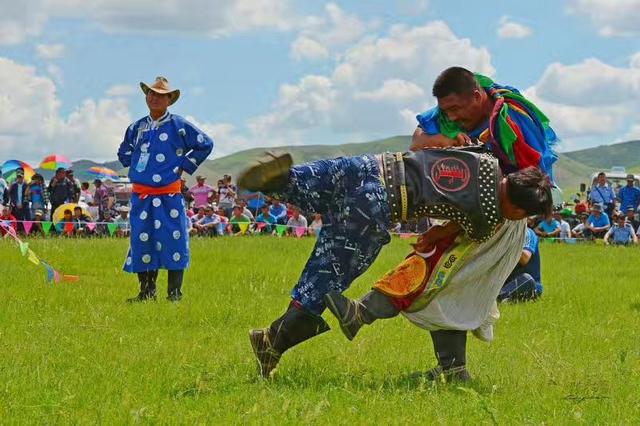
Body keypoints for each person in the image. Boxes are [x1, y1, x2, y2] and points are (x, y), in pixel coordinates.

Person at [316, 67, 558, 382]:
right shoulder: (457, 112)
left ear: (476, 96)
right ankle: (453, 370)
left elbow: (529, 181)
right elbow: (419, 142)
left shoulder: (511, 120)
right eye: (448, 111)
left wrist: (442, 230)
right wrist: (443, 140)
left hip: (499, 220)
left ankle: (362, 313)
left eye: (458, 110)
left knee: (432, 273)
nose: (453, 117)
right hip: (479, 208)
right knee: (447, 289)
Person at [242, 149, 553, 378]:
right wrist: (432, 236)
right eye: (523, 215)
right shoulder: (490, 214)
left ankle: (280, 180)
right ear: (514, 205)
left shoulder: (485, 160)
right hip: (376, 203)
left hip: (371, 164)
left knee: (307, 185)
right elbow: (449, 232)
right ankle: (271, 343)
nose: (521, 221)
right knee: (324, 281)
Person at [117, 76, 213, 302]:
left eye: (160, 95)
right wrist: (139, 167)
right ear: (146, 96)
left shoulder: (179, 126)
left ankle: (174, 294)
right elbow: (123, 151)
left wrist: (183, 166)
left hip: (168, 194)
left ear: (169, 100)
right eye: (151, 93)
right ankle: (146, 293)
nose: (154, 98)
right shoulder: (137, 127)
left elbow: (205, 143)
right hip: (142, 195)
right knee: (142, 239)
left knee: (173, 239)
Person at [497, 224, 543, 301]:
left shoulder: (527, 233)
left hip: (527, 283)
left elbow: (524, 259)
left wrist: (506, 240)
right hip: (506, 282)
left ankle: (498, 299)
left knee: (526, 279)